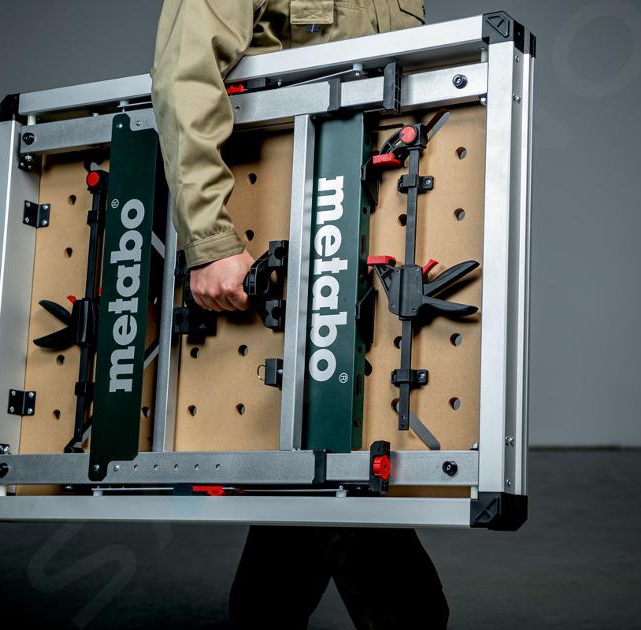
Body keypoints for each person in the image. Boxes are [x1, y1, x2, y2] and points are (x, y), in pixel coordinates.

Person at [151, 2, 448, 627]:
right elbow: (185, 72)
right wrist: (211, 240)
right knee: (326, 473)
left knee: (317, 481)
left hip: (370, 228)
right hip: (283, 230)